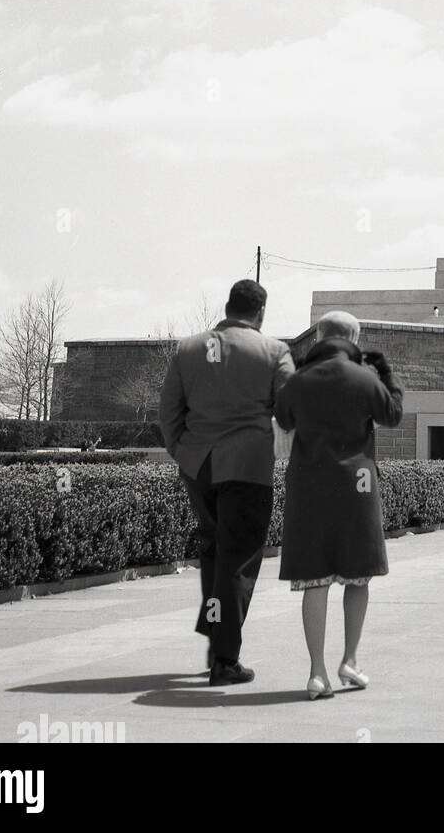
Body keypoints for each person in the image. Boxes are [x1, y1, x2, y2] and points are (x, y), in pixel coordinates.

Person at [159, 278, 294, 686]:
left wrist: (182, 452)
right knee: (237, 560)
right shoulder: (274, 352)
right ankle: (224, 658)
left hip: (198, 465)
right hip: (248, 468)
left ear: (227, 306)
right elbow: (289, 411)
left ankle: (216, 638)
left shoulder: (187, 349)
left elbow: (168, 412)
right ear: (261, 312)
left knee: (215, 551)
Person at [275, 310, 404, 700]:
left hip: (309, 488)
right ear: (353, 337)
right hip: (357, 488)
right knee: (357, 575)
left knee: (316, 578)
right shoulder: (363, 378)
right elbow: (393, 415)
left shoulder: (299, 380)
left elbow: (283, 419)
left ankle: (316, 673)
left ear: (319, 336)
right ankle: (350, 659)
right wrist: (386, 376)